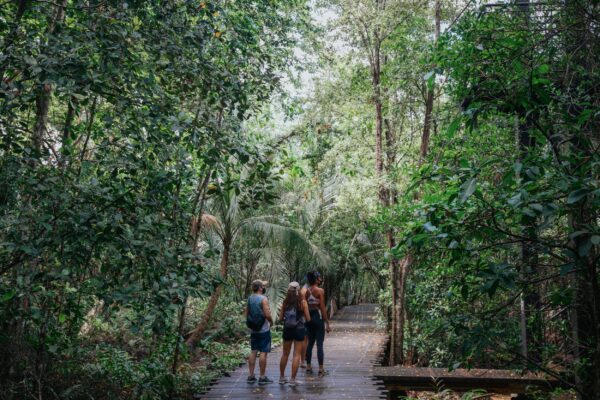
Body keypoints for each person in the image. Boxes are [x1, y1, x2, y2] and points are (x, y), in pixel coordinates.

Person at [278, 281, 311, 387]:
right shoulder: (303, 302)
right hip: (299, 329)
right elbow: (308, 318)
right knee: (296, 355)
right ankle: (292, 380)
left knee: (285, 354)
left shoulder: (285, 302)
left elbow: (280, 318)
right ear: (299, 290)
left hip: (287, 329)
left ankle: (282, 378)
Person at [245, 279, 274, 385]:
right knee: (263, 352)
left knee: (253, 351)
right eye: (263, 286)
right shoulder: (263, 299)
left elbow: (247, 313)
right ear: (260, 288)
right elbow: (267, 314)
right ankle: (262, 377)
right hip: (263, 330)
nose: (264, 287)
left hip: (253, 329)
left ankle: (251, 376)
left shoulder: (250, 298)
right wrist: (271, 321)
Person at [305, 271, 331, 376]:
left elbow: (305, 305)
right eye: (319, 278)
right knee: (319, 344)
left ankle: (308, 366)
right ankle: (321, 369)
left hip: (309, 318)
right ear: (316, 279)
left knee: (310, 343)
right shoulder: (320, 291)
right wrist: (327, 323)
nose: (320, 279)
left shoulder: (306, 291)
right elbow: (323, 308)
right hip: (317, 316)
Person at [299, 279, 309, 369]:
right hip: (303, 321)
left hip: (294, 323)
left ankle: (303, 358)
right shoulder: (305, 290)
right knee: (304, 341)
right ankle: (302, 360)